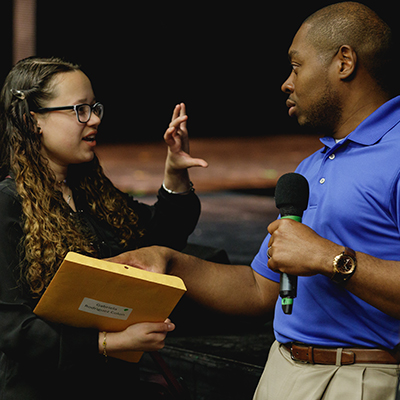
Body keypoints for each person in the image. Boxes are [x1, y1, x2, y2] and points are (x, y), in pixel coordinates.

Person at [110, 3, 400, 399]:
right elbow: (257, 288)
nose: (287, 82)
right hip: (283, 370)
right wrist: (169, 261)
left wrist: (332, 260)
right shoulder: (313, 164)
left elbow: (324, 258)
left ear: (344, 62)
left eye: (296, 66)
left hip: (361, 378)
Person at [0, 56, 207, 399]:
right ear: (32, 120)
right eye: (79, 110)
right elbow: (11, 328)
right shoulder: (8, 204)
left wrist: (175, 171)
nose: (94, 119)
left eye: (94, 107)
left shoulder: (89, 191)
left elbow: (160, 240)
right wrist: (108, 342)